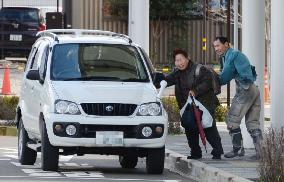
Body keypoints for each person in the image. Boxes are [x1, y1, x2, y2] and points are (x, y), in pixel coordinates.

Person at [165, 49, 224, 160]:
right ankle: (196, 152)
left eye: (181, 59)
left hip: (204, 104)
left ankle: (217, 150)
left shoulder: (199, 69)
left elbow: (207, 82)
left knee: (208, 127)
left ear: (187, 58)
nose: (179, 63)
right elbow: (165, 80)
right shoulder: (176, 73)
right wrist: (156, 80)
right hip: (188, 107)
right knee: (189, 127)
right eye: (177, 60)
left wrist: (195, 91)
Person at [213, 36, 262, 159]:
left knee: (232, 120)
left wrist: (214, 79)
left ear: (226, 44)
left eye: (218, 45)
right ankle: (261, 152)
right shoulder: (233, 54)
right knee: (253, 123)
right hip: (253, 89)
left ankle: (238, 150)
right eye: (214, 46)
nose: (216, 49)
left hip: (245, 89)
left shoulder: (232, 54)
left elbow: (225, 75)